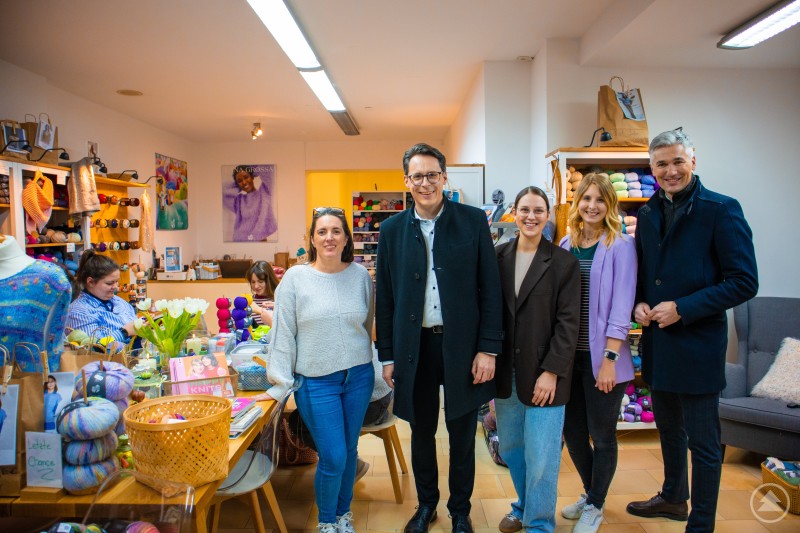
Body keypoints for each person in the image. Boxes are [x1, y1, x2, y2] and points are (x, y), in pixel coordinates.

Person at [626, 129, 758, 532]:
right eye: (661, 164)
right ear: (651, 168)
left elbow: (744, 281)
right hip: (659, 344)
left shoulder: (722, 209)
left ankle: (701, 523)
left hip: (698, 345)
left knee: (702, 441)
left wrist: (684, 308)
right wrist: (638, 302)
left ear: (693, 161)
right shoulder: (647, 214)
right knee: (667, 427)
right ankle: (672, 498)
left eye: (677, 161)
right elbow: (644, 274)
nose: (670, 171)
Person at [375, 143, 503, 533]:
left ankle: (460, 510)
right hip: (416, 347)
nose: (426, 182)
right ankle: (427, 504)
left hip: (463, 346)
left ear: (445, 178)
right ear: (406, 181)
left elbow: (490, 288)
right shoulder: (392, 229)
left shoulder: (472, 221)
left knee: (463, 430)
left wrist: (488, 348)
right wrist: (388, 355)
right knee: (422, 429)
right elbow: (387, 296)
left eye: (433, 174)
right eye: (418, 176)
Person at [258, 206, 374, 533]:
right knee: (333, 455)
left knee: (350, 452)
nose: (329, 237)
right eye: (322, 231)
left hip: (358, 378)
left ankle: (343, 515)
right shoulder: (296, 278)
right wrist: (281, 382)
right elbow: (283, 333)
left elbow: (365, 326)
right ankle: (326, 522)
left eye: (336, 230)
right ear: (311, 238)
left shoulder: (360, 276)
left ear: (346, 237)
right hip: (316, 382)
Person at [493, 186, 580, 533]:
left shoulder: (563, 263)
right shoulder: (498, 257)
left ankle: (539, 525)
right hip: (506, 374)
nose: (531, 216)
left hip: (545, 375)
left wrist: (552, 372)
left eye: (538, 210)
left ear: (548, 215)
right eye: (524, 209)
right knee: (512, 448)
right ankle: (525, 505)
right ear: (513, 212)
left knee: (542, 456)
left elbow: (568, 322)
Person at [558, 174, 637, 533]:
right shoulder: (564, 243)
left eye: (600, 200)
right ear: (578, 204)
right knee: (573, 434)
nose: (592, 206)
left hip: (603, 359)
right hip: (568, 359)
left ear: (610, 206)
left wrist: (608, 360)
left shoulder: (620, 246)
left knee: (602, 436)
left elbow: (622, 308)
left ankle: (596, 504)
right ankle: (592, 494)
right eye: (586, 198)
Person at [289, 349, 394, 481]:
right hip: (383, 394)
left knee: (299, 420)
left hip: (372, 400)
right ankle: (344, 462)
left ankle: (343, 463)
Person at [65, 250, 138, 344]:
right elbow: (91, 348)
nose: (115, 287)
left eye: (116, 281)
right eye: (109, 283)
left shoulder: (119, 302)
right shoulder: (79, 312)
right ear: (90, 282)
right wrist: (124, 332)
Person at [223, 165, 278, 242]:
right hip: (240, 242)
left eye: (246, 177)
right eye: (240, 181)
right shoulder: (239, 200)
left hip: (260, 241)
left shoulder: (265, 193)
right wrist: (239, 184)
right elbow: (224, 193)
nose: (244, 182)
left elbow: (268, 169)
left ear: (252, 177)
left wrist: (252, 171)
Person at [246, 260, 280, 327]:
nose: (256, 286)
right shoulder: (250, 302)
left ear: (269, 280)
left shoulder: (278, 300)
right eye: (253, 282)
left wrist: (260, 310)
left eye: (260, 281)